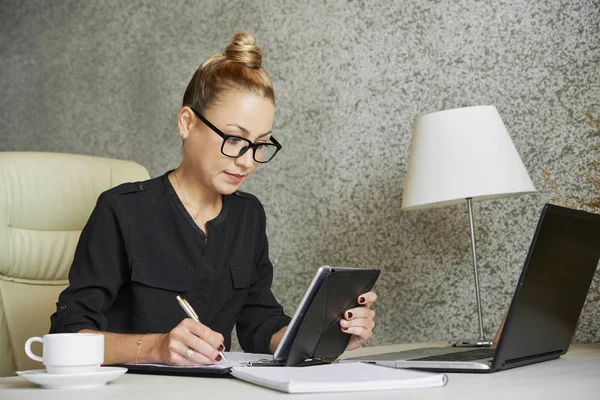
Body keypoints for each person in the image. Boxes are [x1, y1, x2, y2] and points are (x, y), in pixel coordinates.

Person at [50, 32, 377, 366]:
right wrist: (157, 347)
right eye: (235, 139)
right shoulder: (122, 209)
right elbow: (67, 334)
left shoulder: (248, 215)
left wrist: (323, 333)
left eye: (261, 144)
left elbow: (260, 323)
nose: (248, 161)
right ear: (187, 123)